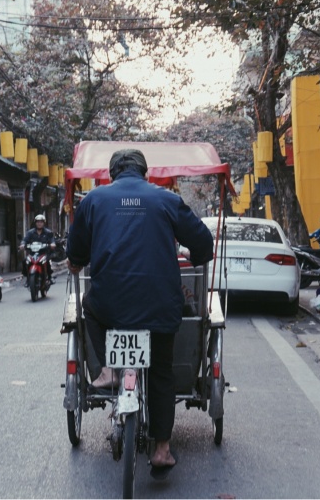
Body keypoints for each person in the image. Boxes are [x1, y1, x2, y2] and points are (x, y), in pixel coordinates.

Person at [66, 148, 213, 479]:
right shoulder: (165, 199)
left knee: (89, 306)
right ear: (144, 172)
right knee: (161, 372)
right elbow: (203, 241)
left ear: (112, 172)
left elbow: (75, 249)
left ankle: (108, 368)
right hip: (160, 305)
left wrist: (76, 261)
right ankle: (162, 449)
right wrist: (198, 254)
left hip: (110, 304)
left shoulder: (94, 200)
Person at [20, 214, 55, 286]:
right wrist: (22, 244)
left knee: (47, 261)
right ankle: (27, 278)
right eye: (38, 222)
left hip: (44, 253)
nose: (39, 223)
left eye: (41, 222)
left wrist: (52, 244)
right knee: (25, 261)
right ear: (35, 223)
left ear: (44, 223)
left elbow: (52, 240)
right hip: (32, 253)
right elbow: (25, 240)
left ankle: (50, 277)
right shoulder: (30, 232)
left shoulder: (48, 232)